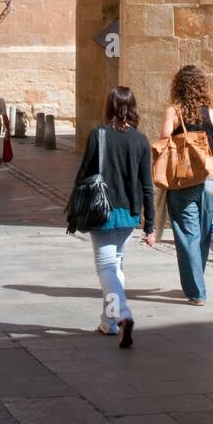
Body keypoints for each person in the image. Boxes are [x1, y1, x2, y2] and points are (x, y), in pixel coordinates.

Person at [75, 86, 155, 348]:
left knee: (106, 267)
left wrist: (75, 211)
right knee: (116, 264)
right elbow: (147, 185)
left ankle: (122, 314)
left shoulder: (98, 135)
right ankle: (109, 322)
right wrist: (150, 225)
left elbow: (84, 174)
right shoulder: (141, 140)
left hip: (103, 212)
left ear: (109, 106)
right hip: (129, 214)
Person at [159, 64, 213, 306]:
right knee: (202, 236)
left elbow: (163, 140)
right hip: (211, 182)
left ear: (178, 86)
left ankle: (196, 291)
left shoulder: (174, 111)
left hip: (182, 182)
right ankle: (197, 283)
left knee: (187, 236)